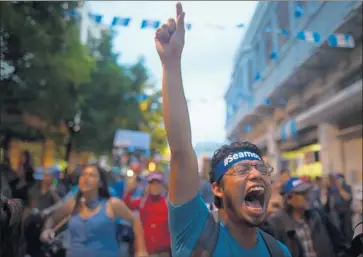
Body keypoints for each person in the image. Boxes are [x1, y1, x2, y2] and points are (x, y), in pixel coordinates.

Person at [154, 3, 291, 256]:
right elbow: (182, 152)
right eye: (241, 170)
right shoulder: (195, 229)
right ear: (217, 188)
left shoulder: (279, 252)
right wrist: (171, 64)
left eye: (261, 169)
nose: (256, 175)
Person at [40, 164, 148, 257]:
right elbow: (52, 218)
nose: (85, 178)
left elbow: (136, 221)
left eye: (91, 175)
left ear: (100, 183)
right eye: (83, 175)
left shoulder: (112, 204)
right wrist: (47, 230)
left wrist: (141, 251)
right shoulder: (73, 204)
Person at [267, 177, 350, 257]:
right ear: (289, 198)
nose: (307, 196)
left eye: (307, 192)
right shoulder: (276, 224)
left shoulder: (319, 216)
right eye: (301, 193)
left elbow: (340, 245)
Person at [124, 172, 171, 257]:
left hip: (163, 252)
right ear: (148, 186)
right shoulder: (142, 202)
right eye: (152, 183)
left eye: (158, 183)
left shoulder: (167, 203)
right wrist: (130, 191)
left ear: (162, 186)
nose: (155, 186)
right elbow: (126, 205)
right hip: (144, 252)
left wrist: (169, 188)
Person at [325, 173, 353, 239]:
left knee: (347, 230)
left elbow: (348, 198)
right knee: (337, 228)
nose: (337, 181)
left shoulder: (347, 187)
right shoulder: (332, 188)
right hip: (335, 211)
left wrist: (339, 188)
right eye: (336, 179)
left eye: (339, 179)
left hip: (346, 211)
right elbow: (329, 199)